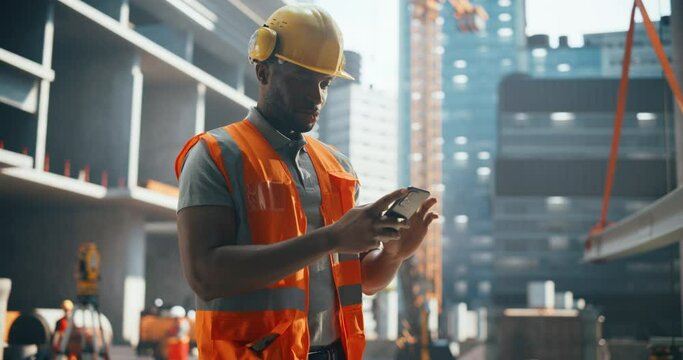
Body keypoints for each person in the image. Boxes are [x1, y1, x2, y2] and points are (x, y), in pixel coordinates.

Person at [175, 4, 438, 359]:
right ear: (263, 71)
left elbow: (361, 280)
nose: (316, 97)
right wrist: (332, 238)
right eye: (302, 79)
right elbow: (205, 275)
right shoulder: (216, 155)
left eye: (325, 83)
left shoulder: (337, 168)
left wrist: (393, 255)